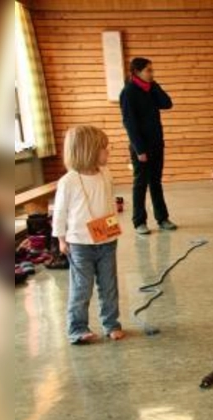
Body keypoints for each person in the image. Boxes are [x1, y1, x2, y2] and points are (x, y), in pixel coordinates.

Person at [52, 126, 125, 344]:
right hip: (80, 244)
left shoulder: (106, 174)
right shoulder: (69, 181)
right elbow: (60, 212)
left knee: (109, 286)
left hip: (107, 240)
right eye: (104, 148)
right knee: (82, 288)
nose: (108, 152)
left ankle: (111, 324)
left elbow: (110, 200)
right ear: (88, 151)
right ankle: (77, 328)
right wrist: (61, 239)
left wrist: (113, 225)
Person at [119, 57, 177, 235]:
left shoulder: (151, 88)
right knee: (140, 184)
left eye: (152, 70)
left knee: (156, 182)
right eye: (149, 71)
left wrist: (154, 86)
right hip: (141, 146)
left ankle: (162, 218)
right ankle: (139, 222)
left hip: (157, 143)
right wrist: (139, 149)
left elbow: (167, 103)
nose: (152, 73)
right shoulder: (128, 92)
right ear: (137, 72)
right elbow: (129, 123)